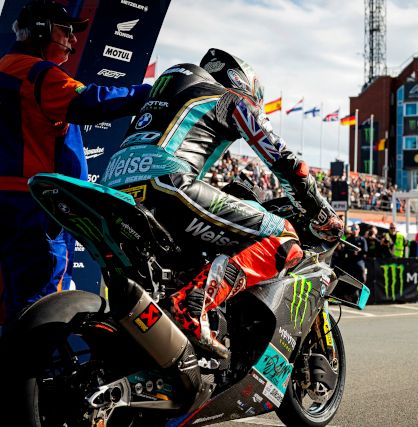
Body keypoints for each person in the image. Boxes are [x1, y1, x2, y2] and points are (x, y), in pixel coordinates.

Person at [102, 49, 343, 357]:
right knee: (284, 236)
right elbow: (287, 163)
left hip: (114, 187)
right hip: (166, 184)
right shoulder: (229, 99)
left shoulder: (168, 96)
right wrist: (321, 212)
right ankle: (195, 304)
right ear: (243, 85)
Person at [0, 0, 152, 325]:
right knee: (42, 310)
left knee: (11, 307)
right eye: (66, 31)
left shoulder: (5, 67)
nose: (73, 40)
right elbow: (91, 101)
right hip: (34, 209)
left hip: (13, 202)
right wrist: (151, 93)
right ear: (40, 30)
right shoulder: (38, 73)